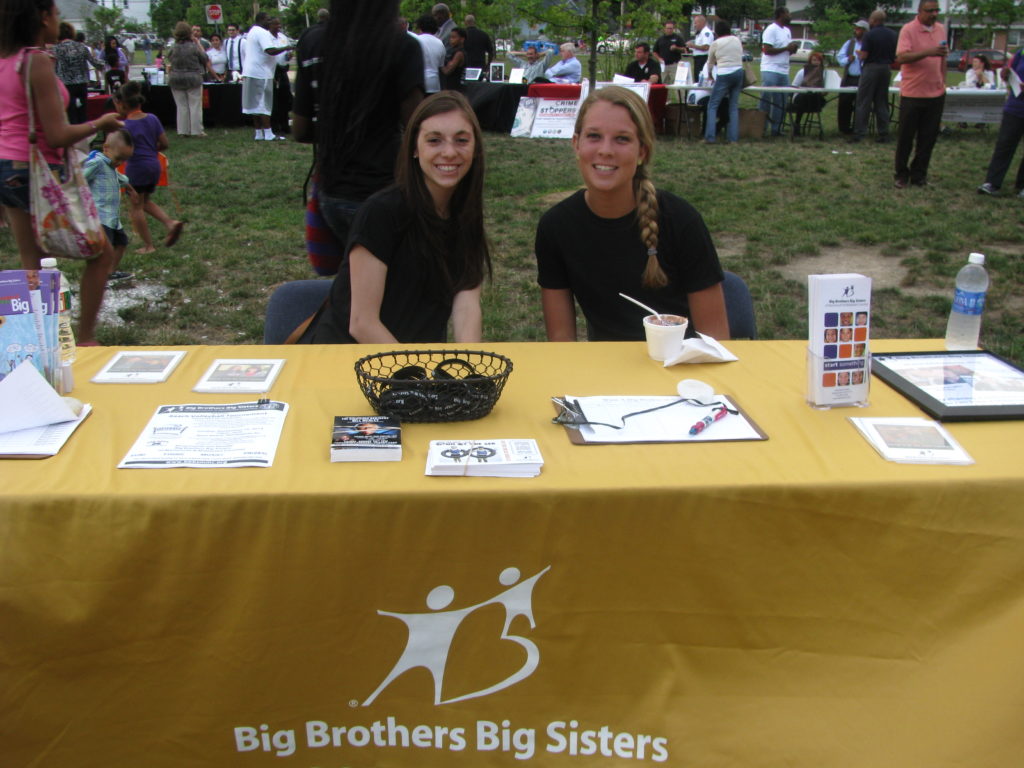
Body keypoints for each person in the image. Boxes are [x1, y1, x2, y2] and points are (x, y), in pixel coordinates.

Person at [535, 86, 730, 343]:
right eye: (594, 136)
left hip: (682, 371)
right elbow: (561, 341)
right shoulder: (556, 227)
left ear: (642, 152)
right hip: (605, 374)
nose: (606, 150)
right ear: (576, 144)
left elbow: (716, 341)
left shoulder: (681, 220)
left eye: (622, 139)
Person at [305, 92, 491, 344]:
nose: (449, 152)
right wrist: (418, 378)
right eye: (434, 140)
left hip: (415, 363)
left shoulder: (465, 214)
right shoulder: (381, 212)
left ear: (475, 148)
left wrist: (469, 369)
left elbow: (466, 305)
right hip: (350, 358)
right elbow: (362, 323)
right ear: (414, 148)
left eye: (461, 140)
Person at [0, 0, 123, 344]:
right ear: (42, 17)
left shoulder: (5, 60)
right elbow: (55, 134)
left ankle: (34, 342)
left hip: (7, 166)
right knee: (101, 253)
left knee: (31, 260)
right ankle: (84, 339)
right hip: (40, 171)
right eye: (55, 14)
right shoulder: (34, 61)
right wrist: (100, 122)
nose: (58, 21)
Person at [313, 0, 423, 275]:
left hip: (331, 188)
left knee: (347, 285)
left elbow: (302, 127)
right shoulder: (402, 45)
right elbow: (417, 126)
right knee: (395, 288)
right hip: (383, 186)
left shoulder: (314, 42)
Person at [113, 81, 183, 252]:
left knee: (135, 206)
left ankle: (148, 246)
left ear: (122, 104)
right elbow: (164, 143)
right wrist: (151, 151)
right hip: (154, 166)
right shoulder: (152, 118)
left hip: (136, 169)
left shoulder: (124, 127)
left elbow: (121, 153)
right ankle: (170, 223)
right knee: (145, 201)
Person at [893, 0, 947, 188]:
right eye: (929, 10)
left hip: (936, 94)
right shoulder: (908, 30)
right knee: (906, 138)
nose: (933, 14)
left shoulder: (941, 29)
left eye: (936, 10)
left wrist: (943, 82)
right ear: (919, 11)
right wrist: (928, 52)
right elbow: (901, 57)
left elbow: (942, 59)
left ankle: (919, 175)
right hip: (913, 94)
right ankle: (901, 174)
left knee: (928, 139)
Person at [83, 128, 137, 280]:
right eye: (119, 158)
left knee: (121, 243)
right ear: (106, 148)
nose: (120, 163)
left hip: (112, 217)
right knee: (104, 251)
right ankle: (99, 274)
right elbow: (80, 179)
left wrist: (131, 189)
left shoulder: (111, 165)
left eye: (124, 160)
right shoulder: (97, 163)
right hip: (100, 216)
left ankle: (109, 272)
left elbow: (122, 179)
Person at [976, 46, 1024, 198]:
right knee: (1004, 145)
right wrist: (1006, 73)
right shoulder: (1021, 52)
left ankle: (1022, 185)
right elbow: (1010, 69)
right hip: (1015, 107)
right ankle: (992, 183)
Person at [242, 11, 292, 142]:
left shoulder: (252, 31)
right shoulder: (262, 32)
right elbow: (270, 50)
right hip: (261, 73)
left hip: (250, 71)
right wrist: (287, 47)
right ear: (261, 20)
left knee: (253, 104)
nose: (270, 22)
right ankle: (269, 133)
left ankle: (258, 133)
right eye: (268, 20)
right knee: (264, 104)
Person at [853, 10, 897, 144]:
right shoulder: (893, 34)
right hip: (886, 69)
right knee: (882, 102)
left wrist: (860, 54)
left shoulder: (869, 35)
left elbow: (865, 55)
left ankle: (860, 133)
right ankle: (883, 133)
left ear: (873, 20)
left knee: (863, 101)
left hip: (871, 68)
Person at [760, 6, 799, 137]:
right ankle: (761, 128)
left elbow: (785, 48)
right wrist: (785, 48)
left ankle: (776, 129)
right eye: (788, 13)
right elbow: (767, 50)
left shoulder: (787, 31)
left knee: (781, 101)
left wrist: (792, 49)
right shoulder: (771, 29)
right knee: (767, 99)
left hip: (784, 70)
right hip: (770, 69)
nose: (790, 16)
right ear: (781, 14)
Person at [53, 22, 103, 124]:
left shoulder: (57, 49)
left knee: (70, 114)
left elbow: (54, 69)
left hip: (66, 85)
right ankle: (84, 134)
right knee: (82, 111)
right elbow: (95, 63)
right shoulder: (81, 47)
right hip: (82, 84)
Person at [166, 21, 208, 138]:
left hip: (176, 78)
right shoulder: (194, 47)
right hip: (193, 78)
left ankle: (183, 131)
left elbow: (168, 59)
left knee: (181, 106)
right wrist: (198, 44)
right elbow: (205, 58)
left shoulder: (173, 48)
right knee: (194, 105)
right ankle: (197, 130)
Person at [704, 21, 744, 144]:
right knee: (733, 106)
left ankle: (710, 137)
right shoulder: (737, 40)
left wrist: (710, 75)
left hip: (724, 73)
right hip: (738, 72)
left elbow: (710, 63)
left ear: (716, 33)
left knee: (712, 105)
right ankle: (733, 138)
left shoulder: (716, 43)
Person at [836, 20, 868, 135]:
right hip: (849, 77)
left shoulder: (868, 43)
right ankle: (844, 128)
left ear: (865, 31)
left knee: (861, 104)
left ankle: (858, 128)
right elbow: (840, 58)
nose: (856, 31)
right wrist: (847, 59)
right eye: (855, 29)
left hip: (863, 78)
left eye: (858, 29)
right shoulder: (850, 43)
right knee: (845, 103)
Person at [790, 50, 826, 136]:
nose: (816, 62)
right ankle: (797, 124)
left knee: (819, 99)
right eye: (814, 60)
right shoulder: (802, 72)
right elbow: (794, 86)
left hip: (815, 97)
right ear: (810, 61)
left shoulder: (824, 74)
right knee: (804, 99)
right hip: (801, 97)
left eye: (818, 60)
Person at [269, 17, 292, 136]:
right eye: (276, 24)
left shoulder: (283, 37)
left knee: (285, 98)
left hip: (283, 70)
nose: (278, 26)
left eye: (279, 24)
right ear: (270, 25)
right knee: (274, 101)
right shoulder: (267, 38)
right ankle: (275, 126)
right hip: (273, 71)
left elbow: (286, 53)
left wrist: (289, 55)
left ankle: (285, 125)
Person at [414, 15, 445, 93]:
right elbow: (440, 65)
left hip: (419, 81)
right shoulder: (440, 43)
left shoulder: (416, 40)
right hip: (435, 83)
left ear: (420, 26)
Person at [653, 20, 686, 85]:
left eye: (671, 28)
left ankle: (679, 95)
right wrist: (659, 59)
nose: (669, 30)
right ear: (664, 29)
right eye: (668, 28)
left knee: (677, 85)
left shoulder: (677, 38)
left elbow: (684, 49)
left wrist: (676, 48)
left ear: (673, 29)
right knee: (663, 85)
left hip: (674, 65)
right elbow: (654, 52)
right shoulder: (660, 39)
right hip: (663, 66)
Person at [440, 27, 466, 92]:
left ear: (462, 39)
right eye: (450, 37)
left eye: (454, 37)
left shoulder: (459, 54)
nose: (451, 40)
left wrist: (439, 62)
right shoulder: (453, 52)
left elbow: (447, 71)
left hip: (454, 88)